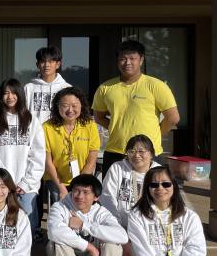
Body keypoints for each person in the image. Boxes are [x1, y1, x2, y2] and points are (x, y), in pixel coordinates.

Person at [92, 39, 180, 175]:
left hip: (148, 152)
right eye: (123, 59)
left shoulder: (156, 85)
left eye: (132, 58)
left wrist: (156, 133)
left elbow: (173, 118)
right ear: (117, 61)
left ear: (141, 60)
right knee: (112, 194)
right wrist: (117, 128)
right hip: (116, 151)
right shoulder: (105, 88)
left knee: (150, 193)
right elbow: (99, 117)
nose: (127, 62)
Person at [0, 79, 45, 236]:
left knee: (27, 229)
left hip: (27, 188)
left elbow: (38, 155)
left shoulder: (32, 121)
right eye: (5, 93)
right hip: (2, 185)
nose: (9, 96)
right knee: (4, 229)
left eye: (13, 92)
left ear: (20, 94)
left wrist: (25, 183)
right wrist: (5, 181)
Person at [42, 87, 100, 203]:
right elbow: (47, 162)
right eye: (65, 105)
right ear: (57, 106)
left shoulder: (90, 126)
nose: (70, 110)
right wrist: (61, 188)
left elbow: (91, 159)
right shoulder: (47, 127)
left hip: (82, 179)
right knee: (61, 212)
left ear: (81, 106)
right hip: (56, 181)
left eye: (74, 105)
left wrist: (79, 185)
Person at [99, 134, 160, 230]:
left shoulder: (159, 172)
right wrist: (116, 226)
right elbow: (107, 197)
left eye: (141, 151)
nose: (136, 155)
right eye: (131, 151)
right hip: (119, 227)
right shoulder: (117, 168)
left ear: (151, 154)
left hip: (150, 229)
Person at [24, 46, 71, 125]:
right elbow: (22, 113)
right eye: (43, 61)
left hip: (58, 133)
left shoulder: (66, 88)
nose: (46, 65)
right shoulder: (28, 88)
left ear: (58, 64)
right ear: (37, 64)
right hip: (34, 134)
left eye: (51, 61)